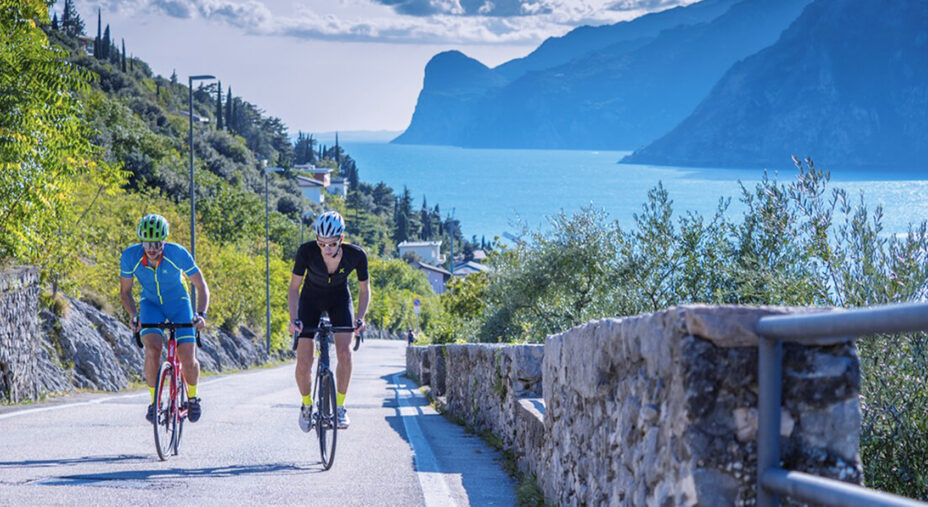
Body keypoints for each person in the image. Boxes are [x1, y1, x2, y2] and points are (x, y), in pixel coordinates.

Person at [119, 214, 209, 424]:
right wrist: (133, 316)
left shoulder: (177, 253)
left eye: (157, 244)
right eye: (147, 243)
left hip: (179, 304)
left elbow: (201, 286)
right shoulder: (130, 256)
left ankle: (193, 398)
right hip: (151, 304)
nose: (152, 249)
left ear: (165, 241)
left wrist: (201, 314)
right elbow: (125, 292)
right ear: (141, 241)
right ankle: (154, 402)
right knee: (152, 349)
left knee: (187, 355)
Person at [288, 211, 370, 431]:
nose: (326, 248)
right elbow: (294, 289)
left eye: (332, 244)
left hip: (339, 300)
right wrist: (294, 319)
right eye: (321, 243)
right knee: (304, 360)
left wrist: (360, 319)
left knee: (345, 353)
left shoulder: (356, 255)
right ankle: (306, 405)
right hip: (310, 300)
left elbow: (364, 290)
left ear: (341, 239)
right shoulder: (306, 252)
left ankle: (340, 407)